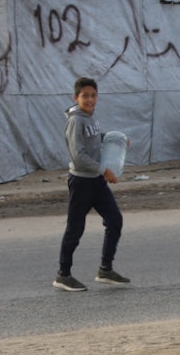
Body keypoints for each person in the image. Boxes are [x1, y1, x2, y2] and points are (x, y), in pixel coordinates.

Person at [54, 76, 130, 292]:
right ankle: (63, 275)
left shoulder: (90, 117)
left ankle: (105, 269)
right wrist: (103, 170)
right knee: (75, 229)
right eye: (85, 96)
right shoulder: (75, 121)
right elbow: (78, 156)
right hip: (81, 182)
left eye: (93, 95)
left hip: (96, 181)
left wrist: (118, 140)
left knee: (114, 220)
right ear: (75, 97)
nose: (90, 100)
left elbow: (95, 139)